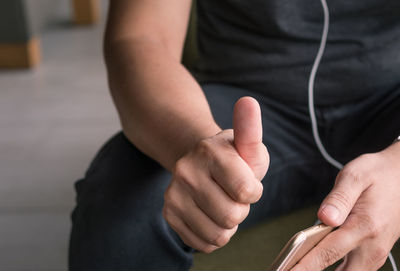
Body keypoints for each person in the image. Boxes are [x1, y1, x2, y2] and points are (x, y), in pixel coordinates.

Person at [68, 0, 400, 270]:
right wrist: (196, 145)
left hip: (389, 101)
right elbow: (140, 37)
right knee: (122, 214)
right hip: (241, 105)